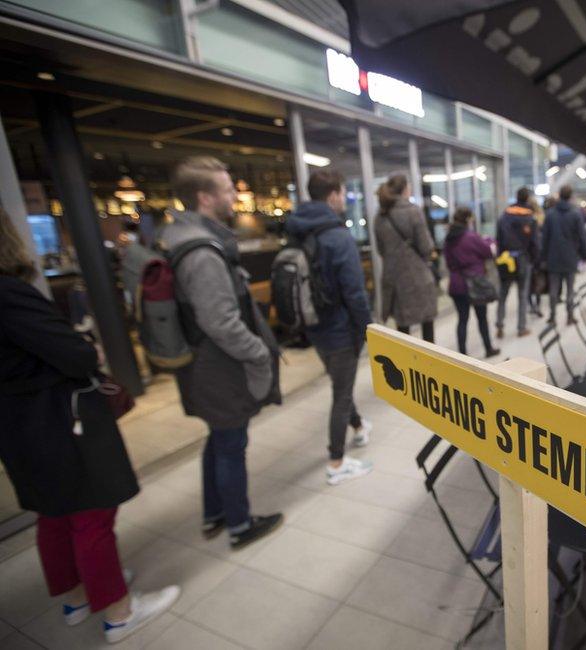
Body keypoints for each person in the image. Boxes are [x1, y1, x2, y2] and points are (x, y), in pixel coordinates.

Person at [0, 208, 180, 643]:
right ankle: (119, 610)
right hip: (58, 419)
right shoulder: (8, 292)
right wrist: (86, 349)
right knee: (91, 513)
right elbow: (76, 356)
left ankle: (77, 595)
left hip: (16, 423)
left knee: (54, 511)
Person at [159, 156, 282, 549]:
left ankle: (215, 514)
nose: (235, 195)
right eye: (228, 189)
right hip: (219, 365)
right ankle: (240, 525)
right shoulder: (202, 253)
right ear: (205, 197)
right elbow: (221, 322)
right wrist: (259, 352)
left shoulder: (182, 240)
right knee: (231, 443)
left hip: (206, 362)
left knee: (218, 438)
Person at [287, 169, 374, 485]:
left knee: (341, 383)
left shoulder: (297, 231)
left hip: (314, 327)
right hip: (340, 330)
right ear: (334, 194)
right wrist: (369, 329)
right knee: (341, 392)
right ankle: (337, 462)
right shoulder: (337, 236)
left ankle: (359, 427)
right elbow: (354, 292)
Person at [374, 173, 438, 343]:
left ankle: (405, 364)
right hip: (418, 276)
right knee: (427, 326)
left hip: (395, 279)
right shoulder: (413, 211)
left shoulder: (380, 216)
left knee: (402, 329)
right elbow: (425, 247)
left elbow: (381, 250)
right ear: (404, 190)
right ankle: (428, 367)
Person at [444, 207, 501, 358]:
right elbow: (488, 252)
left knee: (462, 320)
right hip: (475, 283)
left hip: (456, 284)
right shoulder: (471, 237)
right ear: (468, 219)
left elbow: (448, 263)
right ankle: (488, 348)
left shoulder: (449, 238)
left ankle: (462, 355)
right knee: (481, 318)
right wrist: (489, 241)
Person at [495, 186, 539, 338]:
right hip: (523, 260)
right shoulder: (530, 218)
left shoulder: (504, 215)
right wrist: (534, 260)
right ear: (527, 198)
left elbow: (499, 239)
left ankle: (499, 326)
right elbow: (534, 242)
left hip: (506, 260)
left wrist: (499, 257)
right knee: (522, 294)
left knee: (503, 294)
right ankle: (521, 328)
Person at [542, 185, 586, 326]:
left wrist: (543, 256)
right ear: (570, 196)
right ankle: (570, 316)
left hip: (553, 257)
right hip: (570, 257)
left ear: (559, 195)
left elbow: (545, 238)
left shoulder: (550, 214)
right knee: (570, 289)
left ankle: (552, 317)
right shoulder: (576, 214)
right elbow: (582, 237)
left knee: (554, 289)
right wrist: (584, 255)